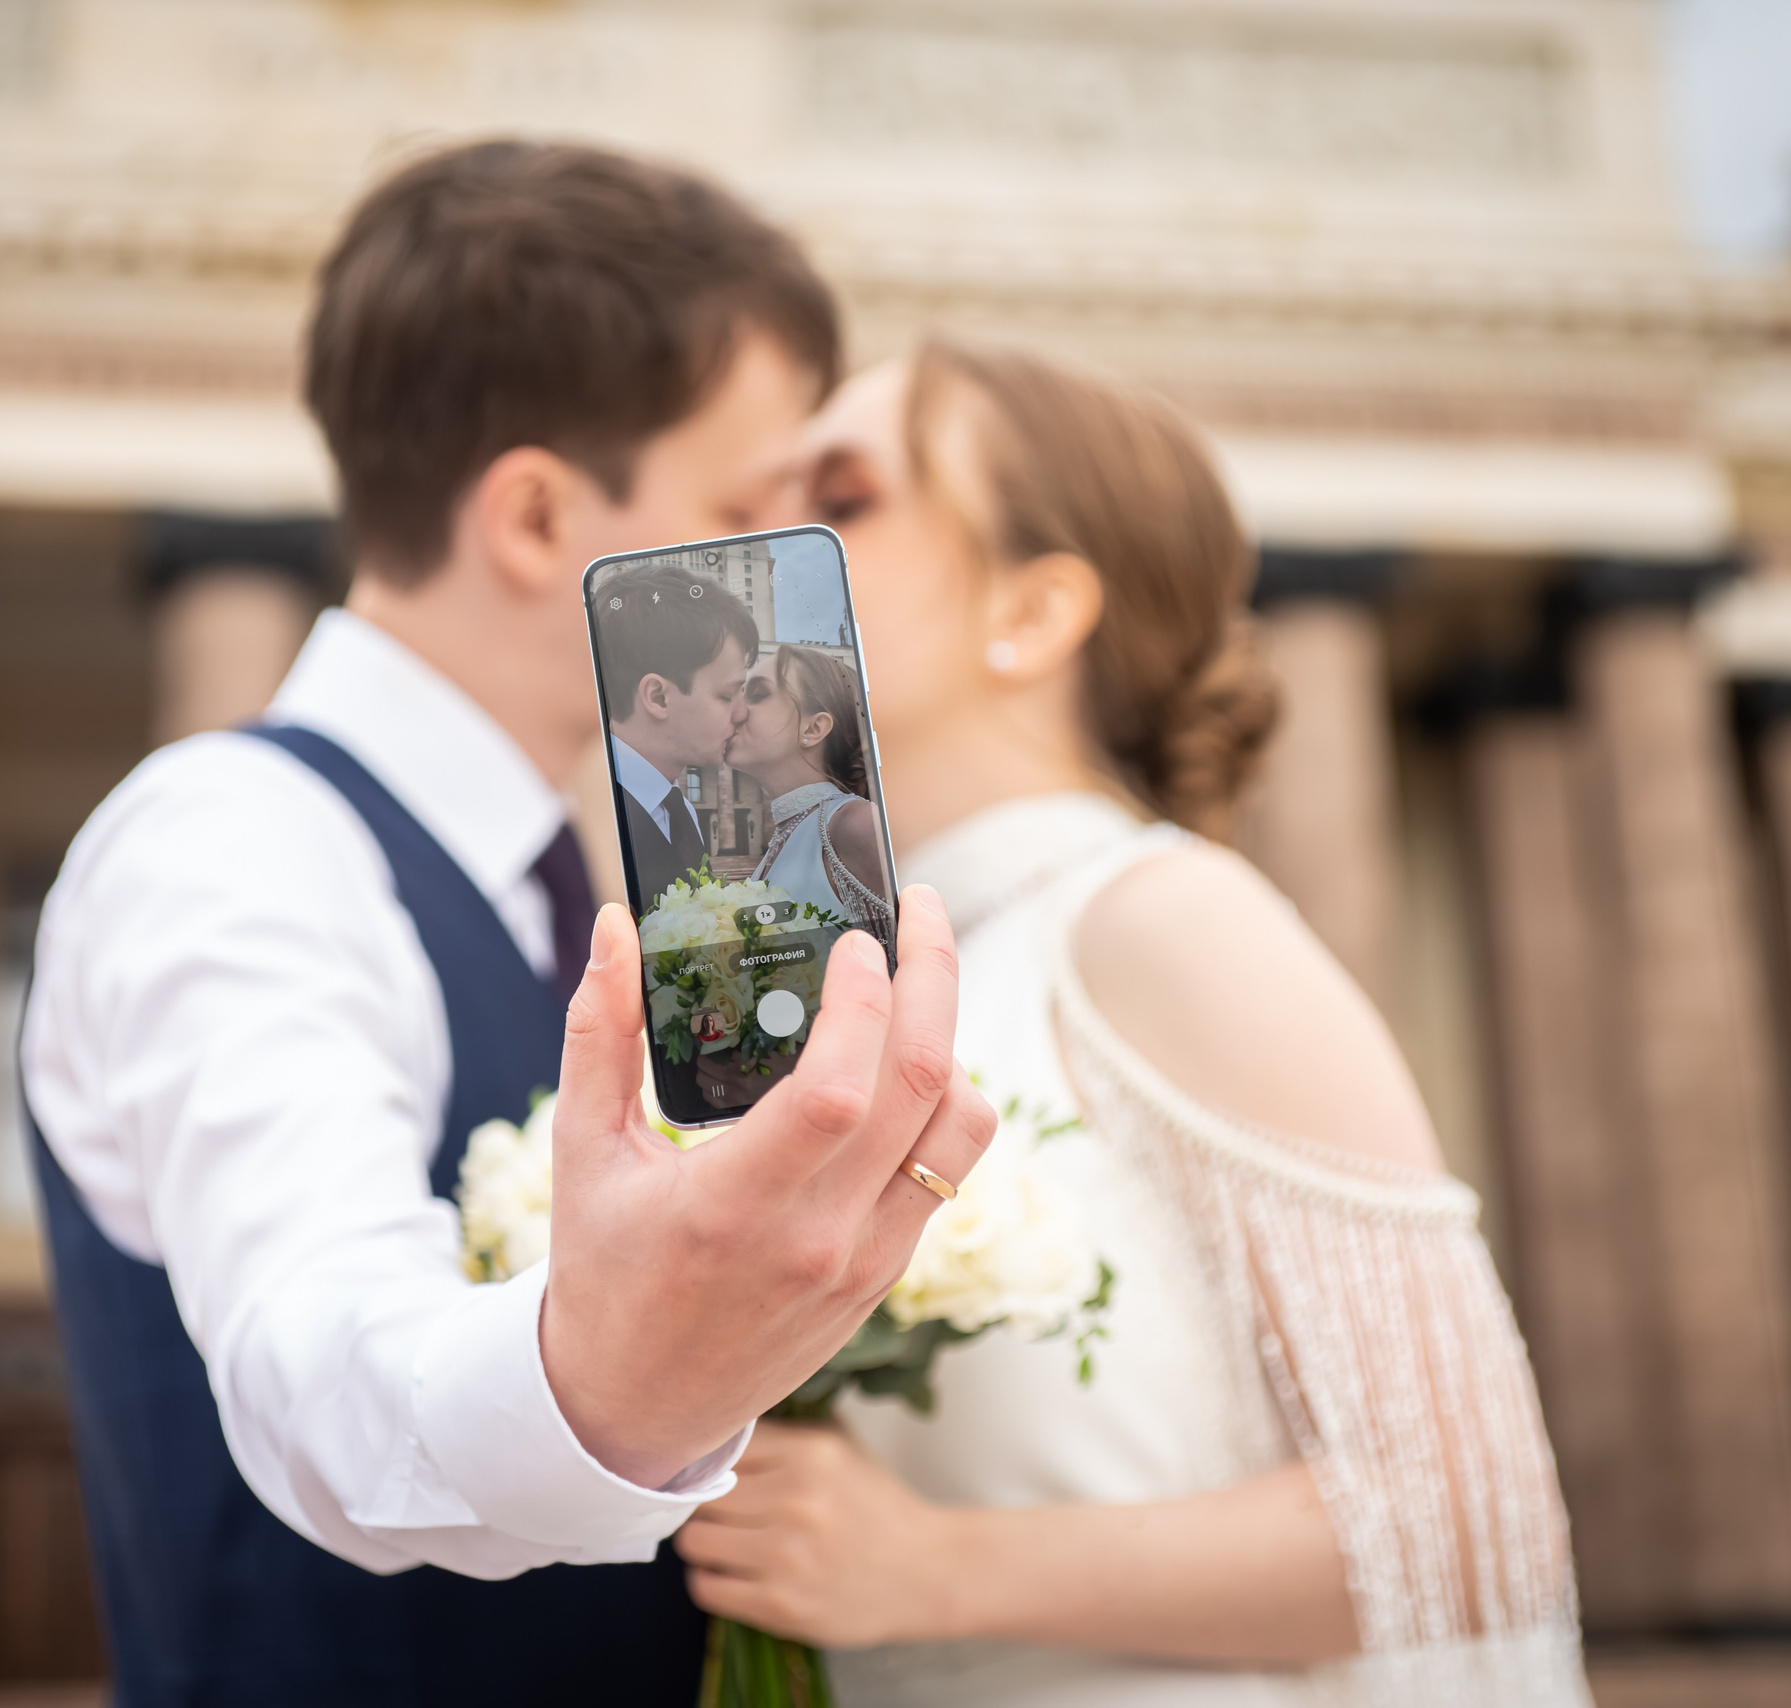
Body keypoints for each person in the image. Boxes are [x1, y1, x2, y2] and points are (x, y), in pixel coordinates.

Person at [21, 144, 997, 1708]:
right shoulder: (232, 841)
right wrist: (615, 1371)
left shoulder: (604, 883)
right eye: (740, 514)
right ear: (537, 518)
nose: (783, 580)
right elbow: (321, 1362)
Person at [676, 340, 1591, 1706]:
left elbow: (1469, 1518)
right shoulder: (833, 984)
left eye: (843, 496)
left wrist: (934, 1567)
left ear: (1034, 609)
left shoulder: (1167, 920)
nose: (757, 543)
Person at [595, 562, 758, 912]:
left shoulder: (678, 809)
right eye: (726, 695)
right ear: (658, 697)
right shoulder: (590, 830)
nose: (742, 712)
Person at [727, 643, 892, 935]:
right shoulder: (784, 837)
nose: (736, 710)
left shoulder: (857, 823)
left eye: (758, 695)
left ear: (813, 728)